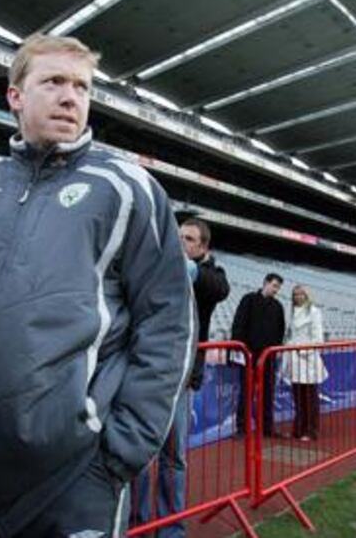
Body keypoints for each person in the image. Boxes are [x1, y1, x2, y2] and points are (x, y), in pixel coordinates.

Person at [0, 34, 195, 538]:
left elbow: (169, 322)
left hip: (73, 480)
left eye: (81, 86)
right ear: (15, 96)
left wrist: (120, 450)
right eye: (54, 81)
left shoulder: (128, 188)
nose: (70, 96)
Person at [134, 218, 229, 536]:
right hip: (148, 375)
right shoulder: (157, 266)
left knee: (173, 458)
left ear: (203, 248)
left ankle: (171, 527)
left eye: (188, 239)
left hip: (181, 379)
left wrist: (186, 268)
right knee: (141, 454)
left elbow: (218, 288)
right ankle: (139, 523)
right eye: (177, 237)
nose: (180, 242)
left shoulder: (210, 274)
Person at [230, 273, 286, 436]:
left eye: (278, 287)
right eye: (275, 285)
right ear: (266, 283)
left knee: (267, 393)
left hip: (268, 357)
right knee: (246, 392)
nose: (276, 290)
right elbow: (238, 324)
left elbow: (280, 331)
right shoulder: (248, 299)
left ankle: (267, 428)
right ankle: (242, 428)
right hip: (249, 355)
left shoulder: (278, 306)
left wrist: (273, 352)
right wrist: (240, 349)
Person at [281, 285, 327, 441]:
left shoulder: (314, 312)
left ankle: (311, 430)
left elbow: (318, 339)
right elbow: (289, 335)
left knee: (310, 397)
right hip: (294, 360)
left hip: (308, 360)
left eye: (301, 294)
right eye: (295, 294)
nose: (298, 297)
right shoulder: (291, 313)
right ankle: (298, 429)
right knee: (298, 397)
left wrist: (303, 350)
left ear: (307, 295)